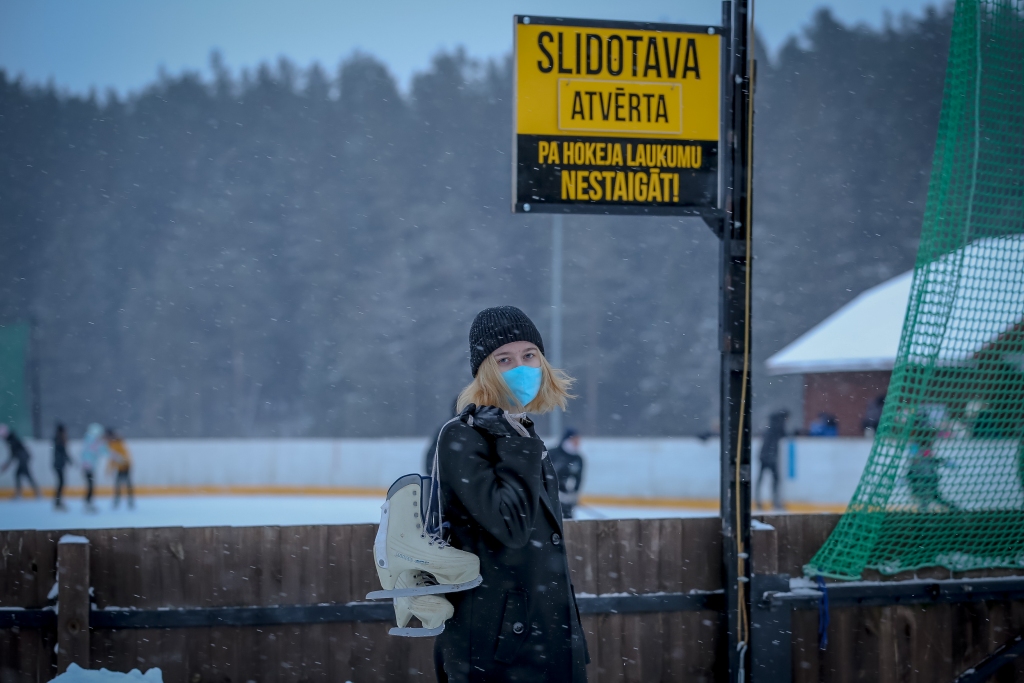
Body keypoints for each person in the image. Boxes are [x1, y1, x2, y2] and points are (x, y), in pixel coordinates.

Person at [433, 306, 588, 682]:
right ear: (486, 369)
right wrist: (512, 440)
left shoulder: (521, 431)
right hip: (498, 651)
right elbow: (511, 526)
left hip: (546, 639)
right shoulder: (464, 435)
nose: (521, 367)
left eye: (529, 355)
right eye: (504, 359)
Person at [548, 428, 585, 519]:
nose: (577, 443)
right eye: (574, 440)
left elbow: (579, 478)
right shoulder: (552, 454)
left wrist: (574, 494)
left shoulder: (578, 459)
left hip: (567, 499)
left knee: (568, 521)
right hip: (550, 497)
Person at [755, 409, 789, 510]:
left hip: (764, 455)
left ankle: (759, 501)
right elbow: (784, 434)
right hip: (771, 456)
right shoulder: (778, 425)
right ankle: (775, 502)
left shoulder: (770, 425)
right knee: (774, 480)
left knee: (761, 480)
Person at [0, 424, 41, 499]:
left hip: (23, 459)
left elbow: (13, 454)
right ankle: (36, 493)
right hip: (24, 458)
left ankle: (22, 494)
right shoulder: (11, 439)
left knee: (21, 475)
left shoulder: (11, 440)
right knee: (24, 475)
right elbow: (14, 453)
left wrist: (7, 465)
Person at [79, 423, 107, 512]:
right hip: (88, 467)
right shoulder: (93, 441)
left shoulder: (89, 440)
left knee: (90, 485)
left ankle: (88, 502)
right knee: (90, 486)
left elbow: (102, 451)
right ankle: (88, 503)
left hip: (88, 467)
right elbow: (103, 451)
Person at [105, 427, 134, 508]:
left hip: (125, 465)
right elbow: (114, 458)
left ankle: (128, 501)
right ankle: (121, 500)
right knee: (120, 484)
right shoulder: (114, 443)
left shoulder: (116, 443)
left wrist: (110, 468)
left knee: (125, 483)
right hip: (122, 465)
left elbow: (116, 457)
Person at [53, 423, 72, 509]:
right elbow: (63, 453)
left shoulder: (58, 439)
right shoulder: (60, 440)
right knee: (60, 483)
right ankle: (57, 502)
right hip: (59, 465)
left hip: (58, 464)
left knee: (60, 483)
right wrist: (69, 460)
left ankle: (58, 501)